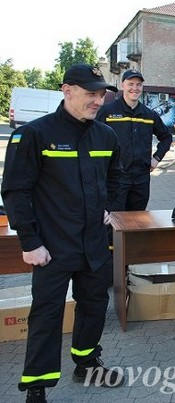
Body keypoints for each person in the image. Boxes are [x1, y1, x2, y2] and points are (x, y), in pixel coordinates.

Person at [1, 64, 124, 403]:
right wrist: (30, 241)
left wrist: (108, 208)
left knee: (95, 305)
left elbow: (117, 178)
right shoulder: (34, 135)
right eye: (90, 94)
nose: (98, 100)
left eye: (101, 94)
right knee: (47, 314)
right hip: (51, 248)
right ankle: (37, 385)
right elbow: (15, 190)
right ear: (67, 90)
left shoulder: (106, 136)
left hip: (94, 245)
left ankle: (86, 363)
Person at [96, 69, 172, 211]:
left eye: (138, 85)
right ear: (122, 85)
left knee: (137, 221)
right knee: (114, 221)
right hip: (116, 179)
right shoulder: (107, 112)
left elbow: (166, 137)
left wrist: (156, 158)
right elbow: (92, 138)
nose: (135, 88)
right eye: (131, 84)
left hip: (141, 180)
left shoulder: (149, 114)